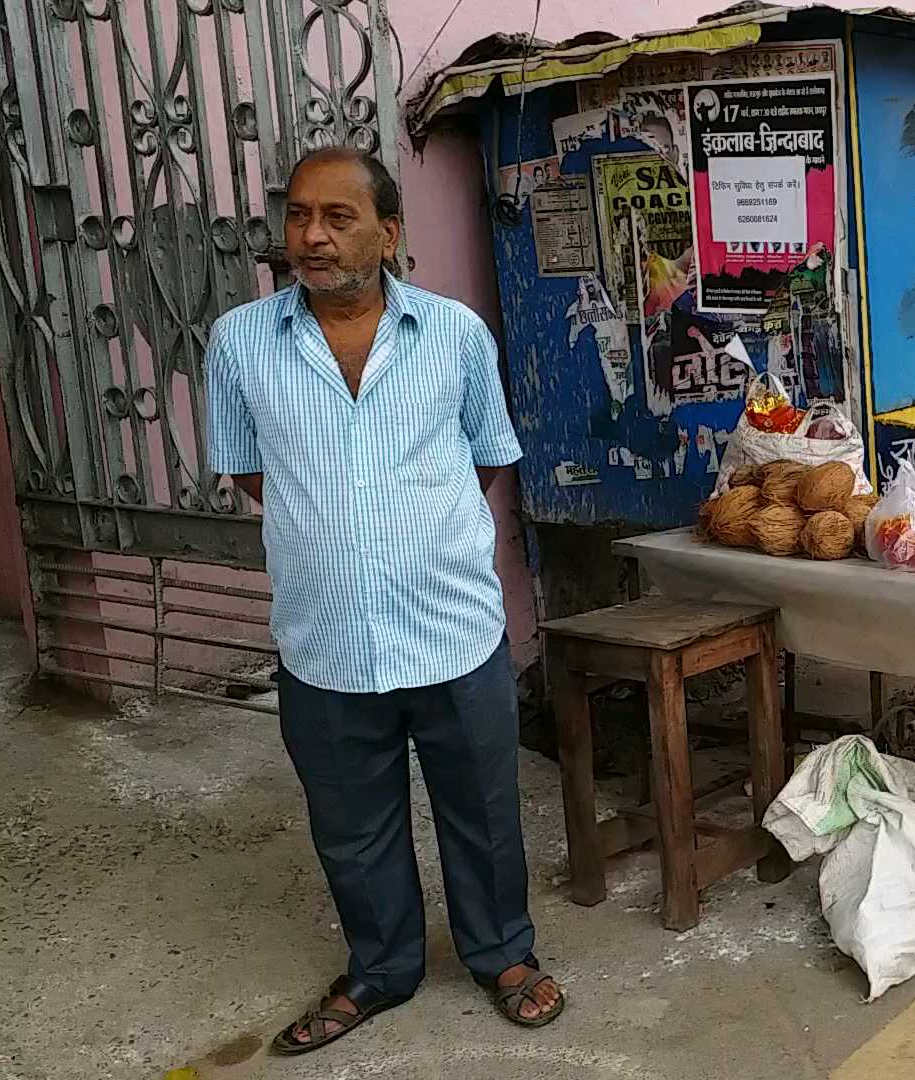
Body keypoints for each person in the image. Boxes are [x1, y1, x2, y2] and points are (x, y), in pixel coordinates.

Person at [206, 147, 565, 1055]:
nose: (313, 237)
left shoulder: (454, 334)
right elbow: (253, 474)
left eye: (337, 217)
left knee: (482, 809)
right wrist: (337, 531)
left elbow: (487, 454)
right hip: (324, 643)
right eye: (298, 218)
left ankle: (502, 954)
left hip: (451, 629)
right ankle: (381, 968)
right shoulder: (241, 342)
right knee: (351, 828)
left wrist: (413, 532)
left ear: (390, 231)